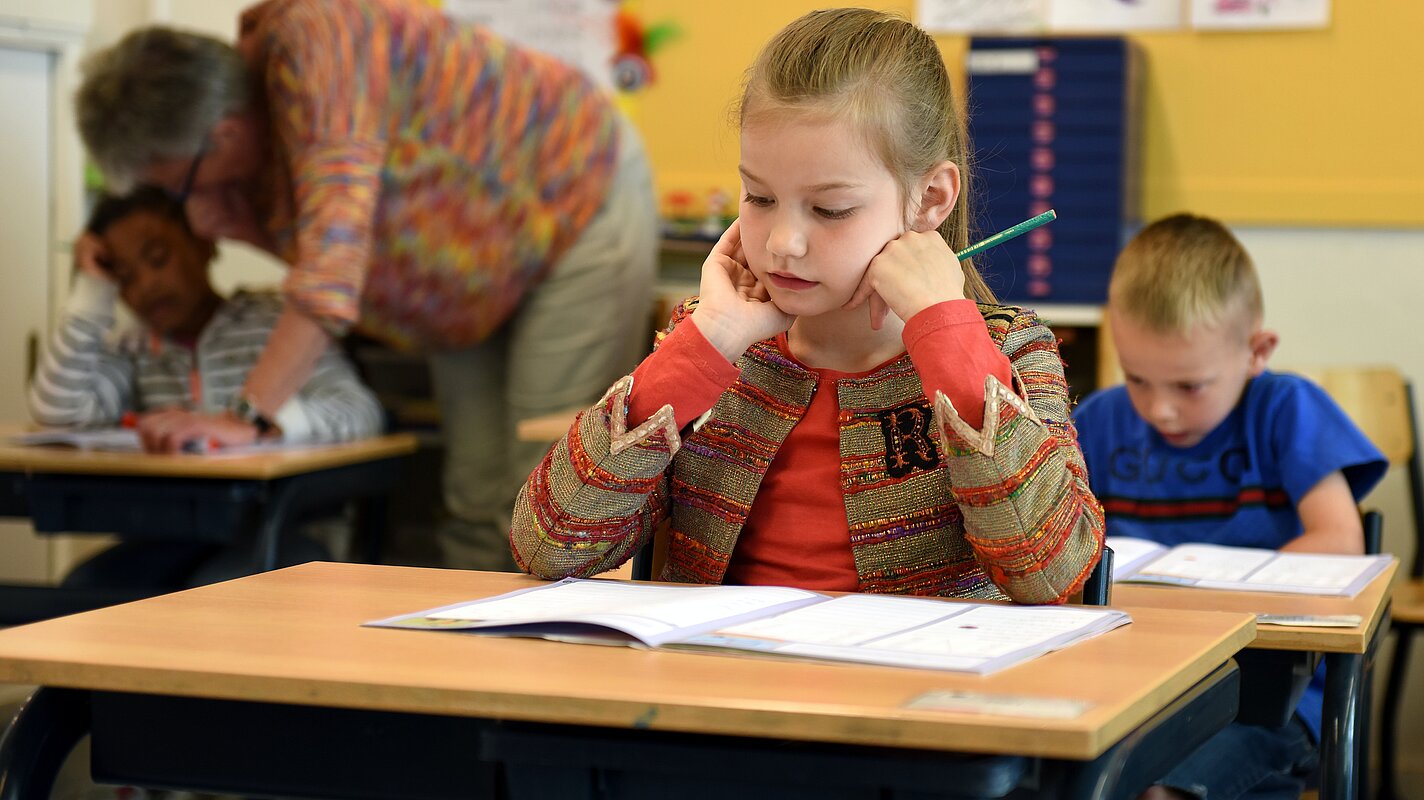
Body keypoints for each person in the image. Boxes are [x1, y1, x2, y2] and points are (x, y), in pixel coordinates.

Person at [510, 8, 1103, 604]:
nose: (781, 243)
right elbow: (551, 544)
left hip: (916, 688)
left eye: (830, 209)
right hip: (724, 678)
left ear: (929, 199)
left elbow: (1048, 569)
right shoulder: (718, 348)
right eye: (759, 197)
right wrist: (708, 338)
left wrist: (945, 331)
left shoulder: (1007, 349)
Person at [74, 0, 658, 572]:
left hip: (575, 202)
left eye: (181, 186)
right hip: (464, 278)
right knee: (478, 503)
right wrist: (231, 214)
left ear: (223, 134)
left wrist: (244, 417)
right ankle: (471, 665)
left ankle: (548, 664)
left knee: (551, 494)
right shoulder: (240, 147)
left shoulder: (318, 44)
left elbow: (330, 272)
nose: (188, 208)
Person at [1073, 213, 1387, 800]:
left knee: (1158, 789)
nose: (1159, 410)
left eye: (1189, 387)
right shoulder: (1100, 420)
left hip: (1271, 697)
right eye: (1137, 379)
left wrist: (1204, 600)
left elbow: (1339, 542)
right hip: (1135, 683)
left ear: (1256, 352)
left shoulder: (1285, 408)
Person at [28, 185, 385, 587]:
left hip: (280, 530)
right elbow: (59, 411)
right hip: (172, 532)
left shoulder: (277, 325)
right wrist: (92, 292)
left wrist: (259, 422)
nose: (146, 286)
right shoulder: (133, 347)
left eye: (158, 258)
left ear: (204, 245)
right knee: (82, 590)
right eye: (124, 278)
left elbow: (360, 410)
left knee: (216, 595)